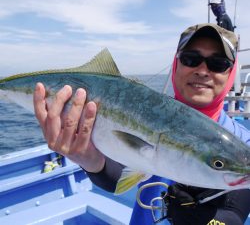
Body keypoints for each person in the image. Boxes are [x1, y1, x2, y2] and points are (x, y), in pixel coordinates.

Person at [33, 23, 250, 225]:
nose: (203, 71)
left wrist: (208, 221)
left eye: (218, 64)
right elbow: (116, 177)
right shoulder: (142, 111)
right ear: (176, 64)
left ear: (231, 74)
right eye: (191, 59)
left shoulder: (243, 143)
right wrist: (90, 161)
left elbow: (235, 212)